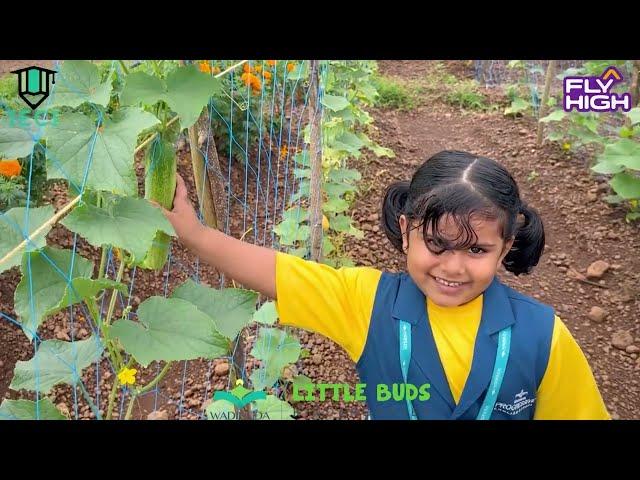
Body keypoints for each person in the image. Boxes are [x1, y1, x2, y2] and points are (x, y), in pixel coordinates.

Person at [155, 150, 610, 420]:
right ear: (407, 229)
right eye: (437, 244)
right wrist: (196, 235)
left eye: (477, 251)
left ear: (506, 245)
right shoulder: (366, 302)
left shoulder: (544, 336)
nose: (453, 267)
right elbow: (276, 272)